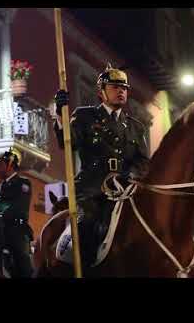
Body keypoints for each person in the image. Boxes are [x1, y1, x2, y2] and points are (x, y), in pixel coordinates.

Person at [53, 63, 150, 269]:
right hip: (92, 189)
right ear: (101, 92)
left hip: (126, 188)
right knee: (87, 225)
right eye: (115, 87)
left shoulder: (135, 126)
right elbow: (66, 141)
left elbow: (143, 161)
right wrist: (61, 114)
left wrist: (130, 175)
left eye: (123, 88)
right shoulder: (85, 116)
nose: (121, 91)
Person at [0, 147, 34, 277]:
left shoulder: (23, 183)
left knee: (23, 261)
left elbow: (19, 207)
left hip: (16, 230)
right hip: (0, 229)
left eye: (1, 163)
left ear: (10, 164)